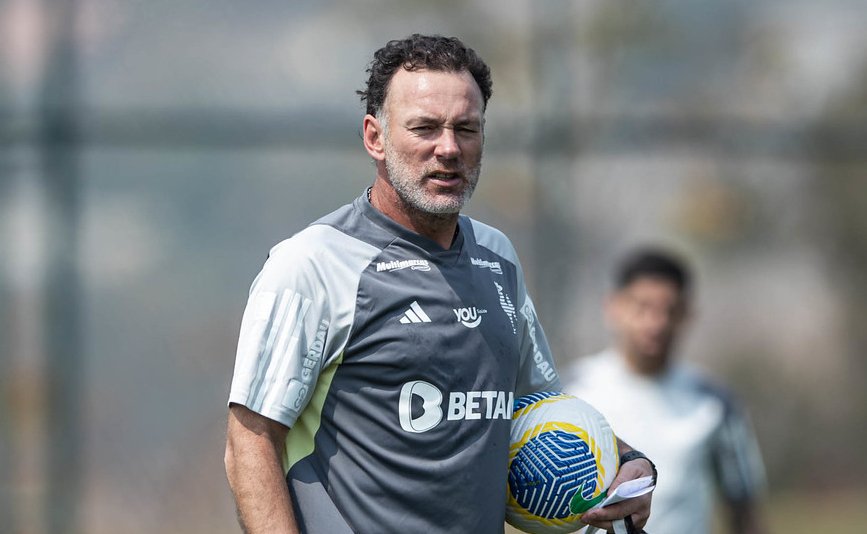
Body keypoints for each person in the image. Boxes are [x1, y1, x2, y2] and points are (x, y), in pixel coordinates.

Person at [224, 34, 654, 533]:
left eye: (466, 129)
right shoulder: (313, 265)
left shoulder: (498, 258)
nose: (448, 148)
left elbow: (541, 408)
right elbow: (249, 442)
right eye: (424, 128)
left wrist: (630, 460)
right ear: (375, 137)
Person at [563, 247, 768, 534]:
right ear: (613, 307)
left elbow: (743, 509)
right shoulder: (571, 395)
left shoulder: (715, 402)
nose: (656, 323)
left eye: (669, 310)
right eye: (642, 307)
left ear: (687, 314)